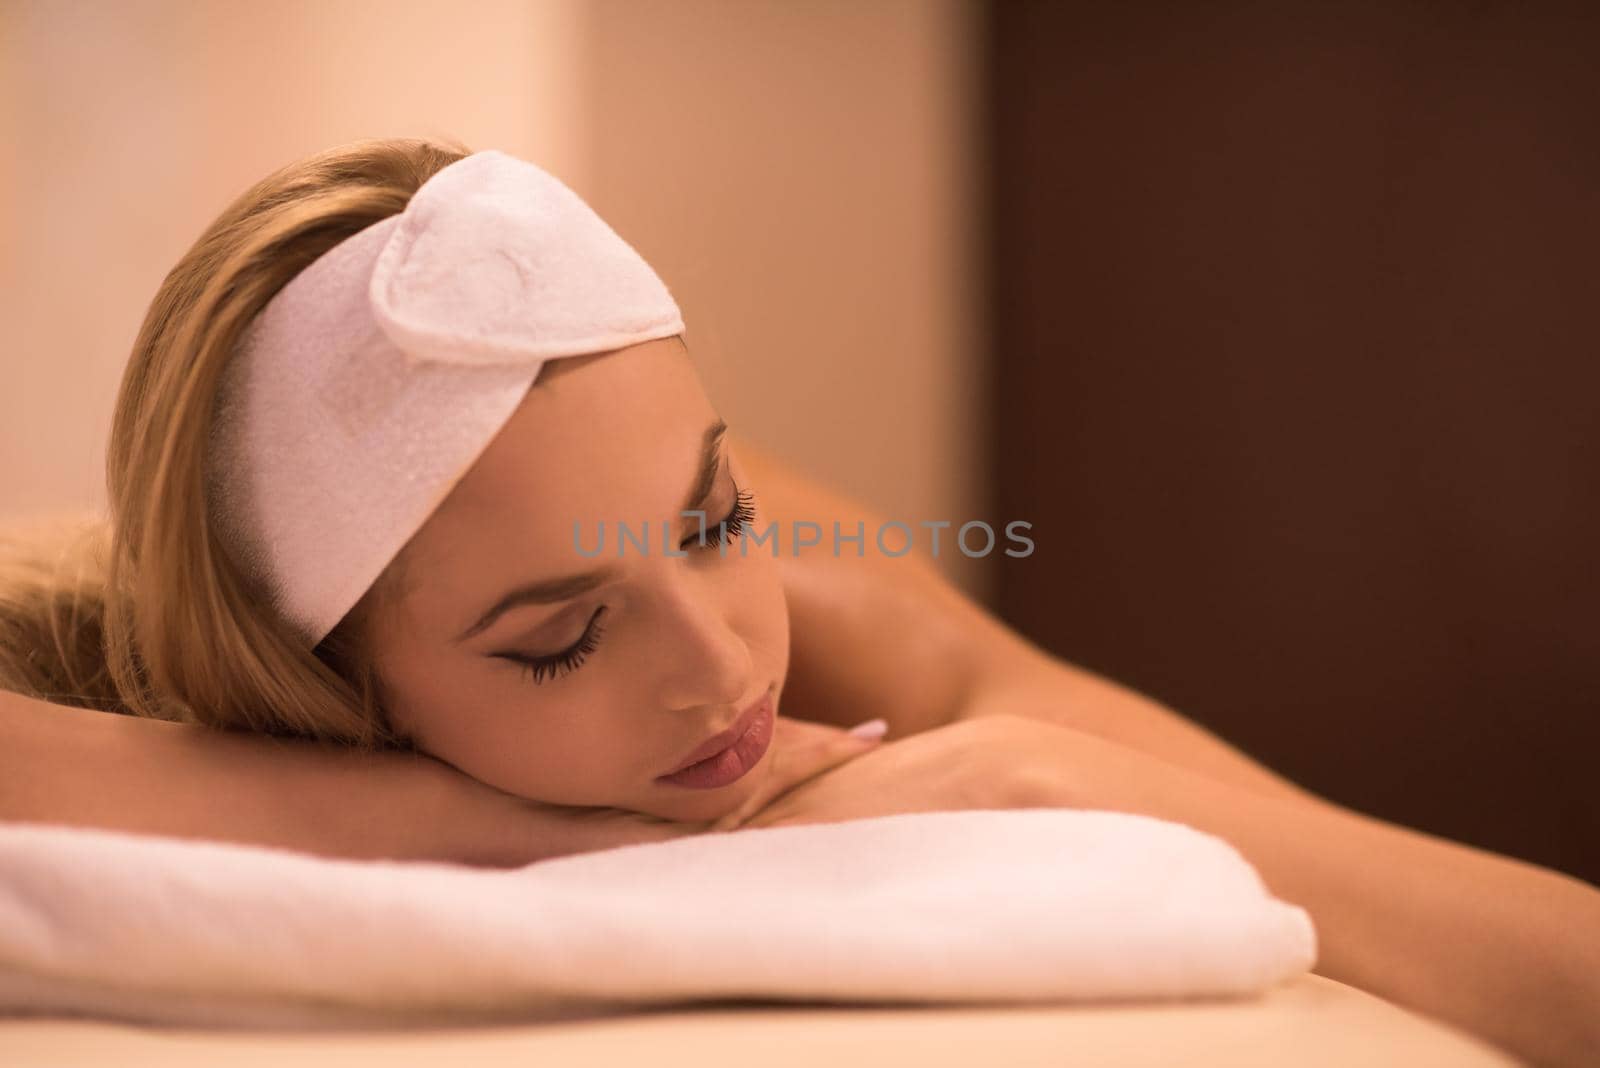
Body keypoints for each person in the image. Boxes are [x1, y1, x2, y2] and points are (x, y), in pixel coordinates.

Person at [0, 138, 1595, 1066]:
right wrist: (523, 832)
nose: (723, 673)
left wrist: (1014, 780)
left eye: (718, 523)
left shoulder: (628, 509)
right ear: (334, 690)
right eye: (561, 640)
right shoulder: (242, 643)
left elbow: (1369, 884)